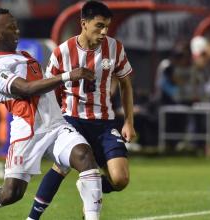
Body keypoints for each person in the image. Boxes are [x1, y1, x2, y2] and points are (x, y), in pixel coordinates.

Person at [0, 8, 102, 220]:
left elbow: (46, 87)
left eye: (16, 25)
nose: (17, 30)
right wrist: (69, 75)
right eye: (10, 27)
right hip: (27, 133)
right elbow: (25, 89)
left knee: (85, 156)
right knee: (11, 193)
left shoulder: (24, 56)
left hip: (56, 127)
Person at [27, 1, 136, 219]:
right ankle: (32, 217)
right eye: (99, 26)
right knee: (61, 167)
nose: (104, 32)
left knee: (120, 179)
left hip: (104, 124)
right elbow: (49, 89)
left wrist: (129, 122)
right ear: (83, 24)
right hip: (72, 120)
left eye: (107, 26)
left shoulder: (115, 48)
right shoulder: (62, 52)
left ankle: (87, 188)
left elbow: (125, 84)